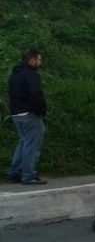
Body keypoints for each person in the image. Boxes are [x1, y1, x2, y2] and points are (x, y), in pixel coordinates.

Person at [6, 49, 47, 185]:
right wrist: (40, 111)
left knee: (24, 142)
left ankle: (14, 172)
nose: (40, 63)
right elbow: (35, 95)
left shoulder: (14, 75)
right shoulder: (31, 75)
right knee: (32, 144)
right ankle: (28, 175)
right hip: (30, 114)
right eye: (39, 60)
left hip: (16, 114)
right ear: (32, 60)